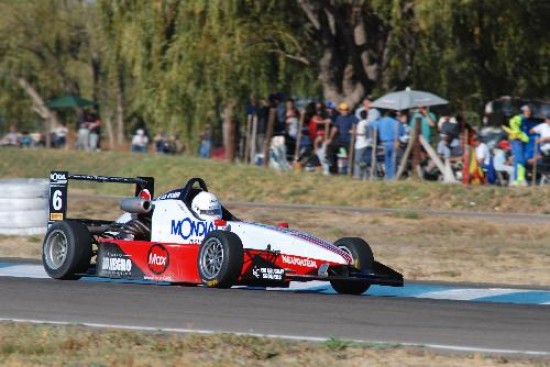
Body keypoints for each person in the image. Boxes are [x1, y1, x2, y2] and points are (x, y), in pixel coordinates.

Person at [326, 102, 358, 174]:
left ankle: (351, 173)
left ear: (348, 110)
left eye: (346, 109)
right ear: (340, 110)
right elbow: (335, 128)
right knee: (330, 147)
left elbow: (360, 127)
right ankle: (333, 171)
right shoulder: (339, 118)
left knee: (351, 155)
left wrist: (354, 131)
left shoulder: (353, 117)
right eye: (343, 110)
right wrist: (330, 138)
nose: (344, 111)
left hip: (349, 140)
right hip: (340, 139)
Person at [503, 105, 530, 186]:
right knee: (520, 160)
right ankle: (518, 180)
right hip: (516, 141)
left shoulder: (524, 119)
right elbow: (512, 123)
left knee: (519, 161)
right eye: (527, 111)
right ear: (523, 111)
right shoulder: (519, 117)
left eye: (529, 111)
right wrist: (521, 136)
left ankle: (519, 180)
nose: (529, 112)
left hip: (519, 142)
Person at [373, 110, 404, 180]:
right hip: (394, 142)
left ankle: (387, 176)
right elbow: (402, 133)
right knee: (393, 160)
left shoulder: (382, 121)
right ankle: (392, 176)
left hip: (384, 143)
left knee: (387, 160)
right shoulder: (396, 122)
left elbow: (372, 124)